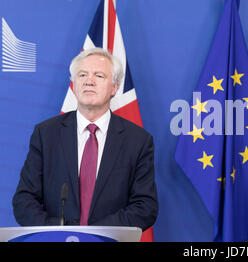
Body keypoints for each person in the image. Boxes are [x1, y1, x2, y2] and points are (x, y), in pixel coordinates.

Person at [12, 48, 158, 230]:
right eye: (82, 75)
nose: (89, 81)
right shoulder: (46, 133)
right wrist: (59, 234)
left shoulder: (138, 140)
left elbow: (144, 207)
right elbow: (24, 200)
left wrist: (96, 236)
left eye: (98, 76)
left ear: (114, 87)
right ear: (73, 85)